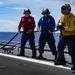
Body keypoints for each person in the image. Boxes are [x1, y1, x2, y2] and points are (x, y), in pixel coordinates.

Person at [54, 4, 75, 70]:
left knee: (72, 51)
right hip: (63, 35)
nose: (63, 10)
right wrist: (58, 26)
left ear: (68, 9)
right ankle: (61, 60)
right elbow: (59, 22)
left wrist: (63, 28)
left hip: (71, 36)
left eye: (64, 8)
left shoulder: (72, 17)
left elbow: (72, 28)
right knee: (60, 47)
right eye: (62, 8)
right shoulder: (62, 16)